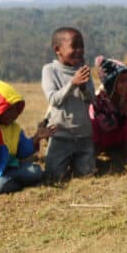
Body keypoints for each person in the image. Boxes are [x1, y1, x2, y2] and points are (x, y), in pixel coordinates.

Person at [0, 79, 55, 194]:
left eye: (15, 108)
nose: (15, 113)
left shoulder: (14, 128)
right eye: (9, 109)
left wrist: (37, 137)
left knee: (36, 171)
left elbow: (22, 151)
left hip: (9, 169)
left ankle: (11, 182)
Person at [42, 27, 96, 183]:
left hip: (83, 135)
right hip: (61, 136)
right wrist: (73, 83)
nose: (79, 51)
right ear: (58, 49)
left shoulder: (83, 70)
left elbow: (91, 100)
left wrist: (84, 88)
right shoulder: (50, 70)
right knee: (54, 176)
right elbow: (53, 99)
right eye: (75, 46)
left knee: (87, 175)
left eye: (82, 46)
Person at [90, 57, 127, 158]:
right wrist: (120, 115)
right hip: (103, 137)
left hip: (119, 136)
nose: (126, 84)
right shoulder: (100, 99)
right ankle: (96, 151)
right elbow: (104, 125)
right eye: (121, 81)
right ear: (111, 84)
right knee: (93, 122)